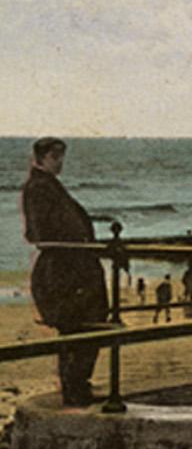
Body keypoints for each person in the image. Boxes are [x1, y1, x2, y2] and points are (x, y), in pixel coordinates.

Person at [21, 137, 109, 407]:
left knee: (84, 325)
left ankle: (76, 386)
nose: (60, 163)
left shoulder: (47, 186)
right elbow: (40, 232)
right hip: (63, 269)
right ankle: (75, 388)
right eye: (55, 158)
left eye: (61, 158)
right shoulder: (39, 188)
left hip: (71, 266)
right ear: (41, 157)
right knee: (79, 325)